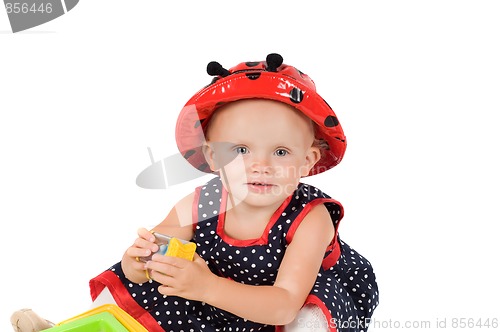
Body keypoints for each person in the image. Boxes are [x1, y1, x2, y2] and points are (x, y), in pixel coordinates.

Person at [12, 54, 379, 332]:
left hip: (280, 307)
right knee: (135, 286)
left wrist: (207, 287)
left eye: (280, 152)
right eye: (239, 150)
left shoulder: (310, 218)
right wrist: (138, 262)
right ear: (212, 157)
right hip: (213, 299)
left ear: (307, 160)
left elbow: (283, 304)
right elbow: (144, 267)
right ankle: (65, 329)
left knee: (309, 320)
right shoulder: (200, 204)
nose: (260, 165)